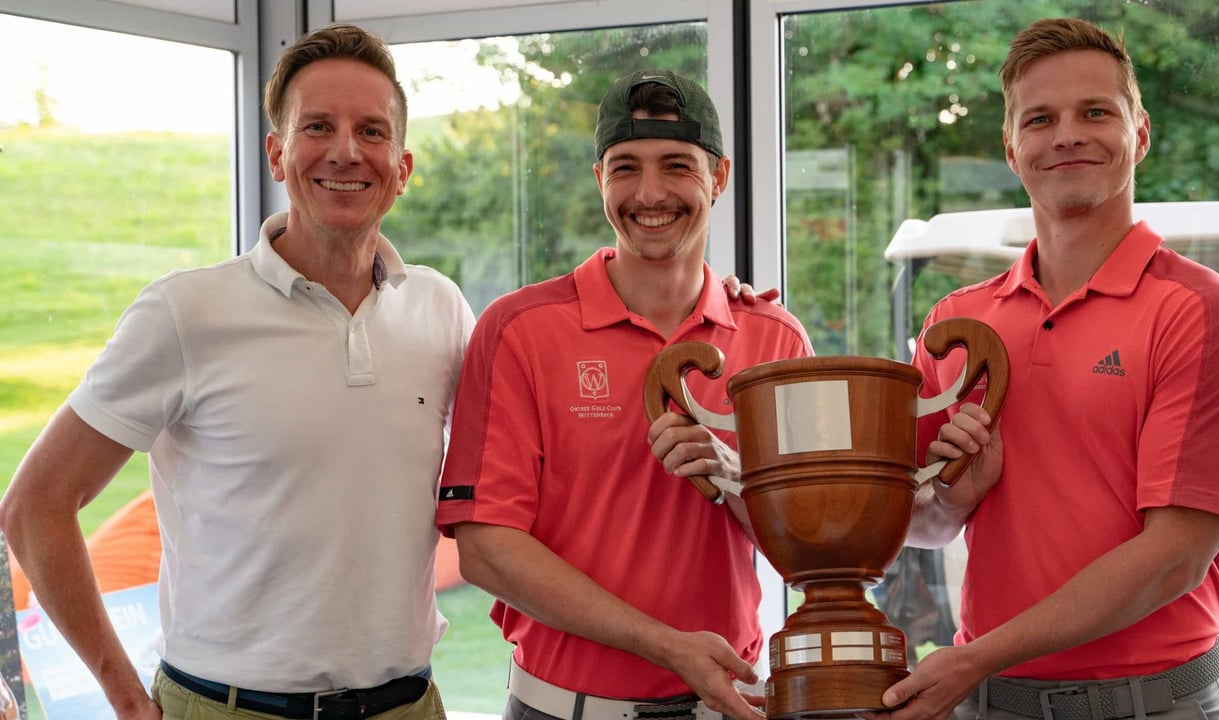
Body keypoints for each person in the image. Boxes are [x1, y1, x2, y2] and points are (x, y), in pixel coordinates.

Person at [0, 23, 473, 720]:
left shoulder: (441, 309)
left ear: (402, 168)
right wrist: (125, 695)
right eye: (318, 126)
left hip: (408, 704)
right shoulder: (186, 314)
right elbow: (35, 508)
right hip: (226, 708)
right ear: (278, 155)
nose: (346, 150)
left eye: (372, 131)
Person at [878, 17, 1219, 720]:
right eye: (1040, 119)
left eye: (1095, 112)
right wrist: (960, 497)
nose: (1066, 135)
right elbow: (920, 523)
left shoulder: (1205, 313)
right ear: (1011, 146)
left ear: (1139, 133)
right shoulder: (954, 325)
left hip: (1156, 705)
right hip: (990, 702)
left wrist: (974, 658)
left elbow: (1175, 557)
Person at [436, 69, 813, 720]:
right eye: (625, 167)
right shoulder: (521, 330)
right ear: (599, 180)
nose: (649, 193)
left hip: (728, 707)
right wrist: (666, 647)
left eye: (676, 166)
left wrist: (736, 476)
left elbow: (811, 549)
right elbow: (487, 548)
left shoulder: (774, 338)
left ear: (719, 177)